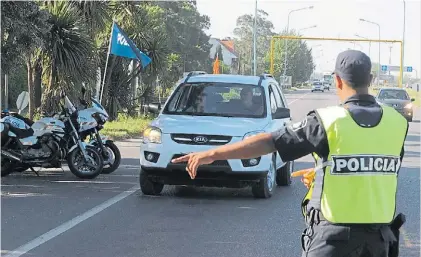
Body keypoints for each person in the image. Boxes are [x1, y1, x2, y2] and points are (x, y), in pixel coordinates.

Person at [172, 50, 408, 257]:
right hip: (379, 242)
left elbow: (271, 142)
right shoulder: (397, 123)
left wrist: (214, 153)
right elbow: (374, 170)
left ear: (337, 81)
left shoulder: (328, 121)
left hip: (334, 241)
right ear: (371, 79)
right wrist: (324, 173)